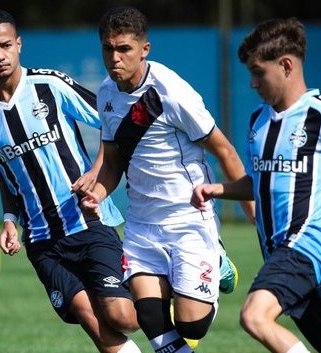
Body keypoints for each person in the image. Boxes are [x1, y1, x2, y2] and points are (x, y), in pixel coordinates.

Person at [191, 17, 321, 353]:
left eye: (258, 72)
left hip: (309, 245)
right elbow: (262, 182)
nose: (253, 83)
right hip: (278, 251)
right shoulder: (259, 120)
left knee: (255, 316)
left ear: (286, 65)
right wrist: (219, 190)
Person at [78, 6, 254, 353]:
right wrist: (97, 193)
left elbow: (225, 152)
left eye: (124, 48)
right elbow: (112, 162)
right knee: (148, 315)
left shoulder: (172, 92)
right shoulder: (106, 94)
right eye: (108, 49)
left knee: (192, 323)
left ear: (144, 49)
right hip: (143, 223)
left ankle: (216, 260)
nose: (115, 58)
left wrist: (254, 219)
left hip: (188, 219)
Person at [0, 9, 141, 353]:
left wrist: (96, 172)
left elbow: (111, 120)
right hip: (42, 240)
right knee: (91, 322)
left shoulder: (50, 85)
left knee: (123, 318)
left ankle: (156, 298)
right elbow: (6, 176)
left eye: (5, 45)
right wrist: (8, 221)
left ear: (18, 45)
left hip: (89, 222)